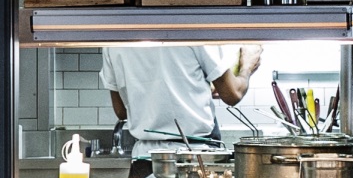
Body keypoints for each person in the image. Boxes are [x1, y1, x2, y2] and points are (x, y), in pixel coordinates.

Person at [105, 40, 265, 143]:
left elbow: (122, 112)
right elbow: (233, 94)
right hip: (194, 157)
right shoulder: (193, 28)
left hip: (145, 160)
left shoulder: (114, 38)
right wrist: (247, 67)